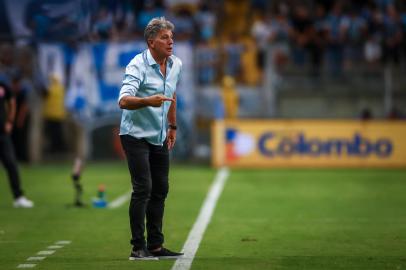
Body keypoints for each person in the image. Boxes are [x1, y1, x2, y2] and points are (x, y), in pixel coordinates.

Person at [118, 17, 183, 260]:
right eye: (165, 38)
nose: (171, 42)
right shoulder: (137, 65)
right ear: (151, 42)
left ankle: (156, 246)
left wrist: (173, 125)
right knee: (143, 188)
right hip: (134, 135)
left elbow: (172, 92)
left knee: (161, 189)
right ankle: (137, 247)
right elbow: (123, 100)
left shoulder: (176, 64)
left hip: (158, 135)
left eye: (171, 37)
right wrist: (148, 100)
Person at [0, 82, 34, 208]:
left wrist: (10, 121)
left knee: (11, 163)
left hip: (2, 134)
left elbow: (12, 101)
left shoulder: (3, 85)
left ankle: (18, 197)